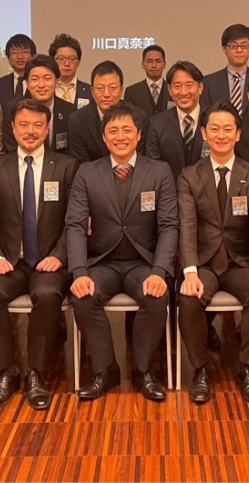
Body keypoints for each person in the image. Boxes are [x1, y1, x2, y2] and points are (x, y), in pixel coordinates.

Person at [67, 103, 179, 401]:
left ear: (139, 135)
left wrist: (159, 271)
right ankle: (105, 370)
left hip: (143, 263)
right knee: (83, 296)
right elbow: (75, 225)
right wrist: (79, 272)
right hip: (101, 262)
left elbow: (169, 225)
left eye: (127, 130)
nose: (120, 137)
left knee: (156, 296)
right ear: (104, 137)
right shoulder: (87, 172)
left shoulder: (159, 171)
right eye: (113, 131)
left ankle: (143, 370)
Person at [0, 99, 80, 411]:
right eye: (24, 125)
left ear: (48, 129)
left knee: (47, 294)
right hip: (10, 260)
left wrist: (60, 255)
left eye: (38, 125)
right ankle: (5, 372)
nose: (30, 131)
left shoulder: (66, 166)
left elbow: (74, 221)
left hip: (51, 261)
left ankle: (36, 372)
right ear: (13, 128)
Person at [177, 102, 249, 405]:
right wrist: (189, 271)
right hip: (204, 263)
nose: (221, 135)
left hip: (239, 262)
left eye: (227, 129)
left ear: (238, 133)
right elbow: (187, 226)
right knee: (188, 299)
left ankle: (248, 368)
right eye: (214, 129)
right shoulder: (189, 176)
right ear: (204, 133)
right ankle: (201, 368)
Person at [69, 61, 147, 163]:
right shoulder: (77, 120)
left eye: (112, 88)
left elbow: (139, 160)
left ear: (121, 90)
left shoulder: (140, 117)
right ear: (92, 91)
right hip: (92, 172)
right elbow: (81, 164)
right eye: (100, 88)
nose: (106, 94)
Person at [146, 61, 207, 179]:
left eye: (189, 85)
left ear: (200, 88)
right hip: (169, 188)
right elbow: (153, 168)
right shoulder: (157, 124)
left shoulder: (214, 120)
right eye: (177, 86)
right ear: (169, 89)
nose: (183, 92)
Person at [2, 55, 74, 154]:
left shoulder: (69, 111)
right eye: (35, 79)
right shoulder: (12, 109)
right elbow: (11, 148)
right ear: (27, 83)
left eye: (47, 78)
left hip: (61, 163)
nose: (41, 85)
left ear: (57, 82)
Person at [202, 24, 249, 115]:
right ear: (224, 49)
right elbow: (205, 116)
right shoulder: (209, 82)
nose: (239, 50)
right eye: (234, 46)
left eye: (244, 46)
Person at [124, 44, 172, 117]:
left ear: (164, 64)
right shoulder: (131, 92)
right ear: (142, 64)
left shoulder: (173, 89)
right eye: (149, 61)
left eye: (158, 61)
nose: (154, 65)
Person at [0, 34, 36, 111]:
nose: (20, 56)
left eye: (24, 52)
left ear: (33, 55)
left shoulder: (39, 83)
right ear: (8, 57)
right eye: (14, 52)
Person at [49, 33, 92, 110]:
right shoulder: (46, 90)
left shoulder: (89, 91)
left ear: (78, 62)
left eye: (72, 59)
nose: (67, 64)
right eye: (61, 59)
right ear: (52, 61)